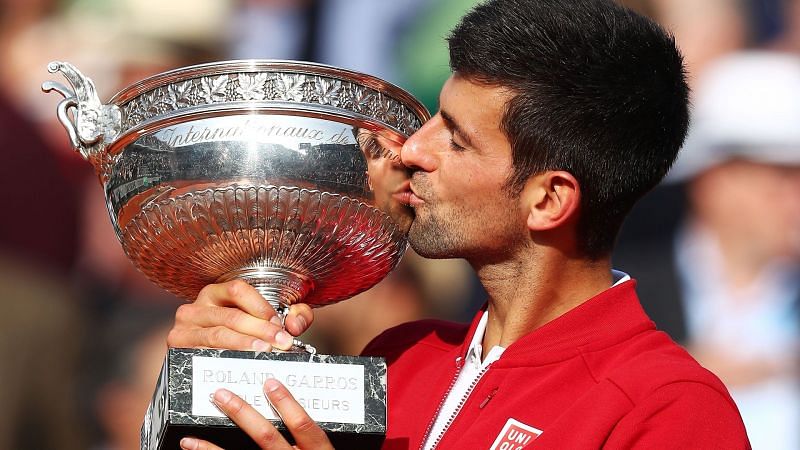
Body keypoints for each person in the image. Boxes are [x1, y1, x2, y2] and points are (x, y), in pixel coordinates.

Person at [167, 0, 751, 448]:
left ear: (549, 199)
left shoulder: (667, 409)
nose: (412, 150)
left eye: (456, 137)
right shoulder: (400, 358)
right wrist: (208, 389)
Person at [615, 51, 800, 450]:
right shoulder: (618, 292)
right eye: (783, 177)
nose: (795, 198)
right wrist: (668, 374)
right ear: (715, 180)